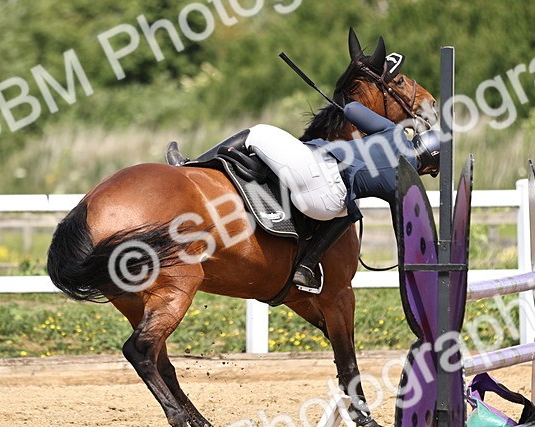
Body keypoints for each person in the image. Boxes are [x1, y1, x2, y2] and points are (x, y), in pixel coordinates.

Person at [168, 100, 440, 293]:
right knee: (350, 209)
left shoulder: (393, 132)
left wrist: (400, 126)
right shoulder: (407, 185)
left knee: (260, 133)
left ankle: (190, 168)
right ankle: (307, 266)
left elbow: (351, 109)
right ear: (428, 166)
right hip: (325, 206)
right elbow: (404, 233)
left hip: (314, 173)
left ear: (419, 139)